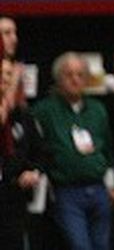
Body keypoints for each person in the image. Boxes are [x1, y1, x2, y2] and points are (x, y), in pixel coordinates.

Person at [32, 52, 114, 250]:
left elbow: (108, 148)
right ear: (58, 78)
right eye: (68, 74)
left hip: (98, 189)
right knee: (79, 245)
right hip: (67, 191)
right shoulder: (44, 110)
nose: (75, 79)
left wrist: (111, 185)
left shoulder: (98, 109)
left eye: (80, 75)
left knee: (102, 245)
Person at [0, 54, 46, 250]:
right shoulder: (6, 111)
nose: (6, 78)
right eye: (1, 74)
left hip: (13, 196)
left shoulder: (23, 115)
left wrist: (33, 171)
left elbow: (41, 152)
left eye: (10, 74)